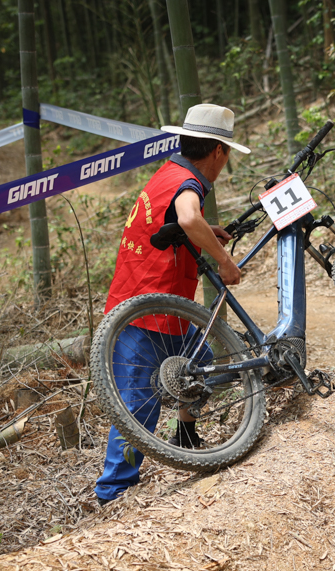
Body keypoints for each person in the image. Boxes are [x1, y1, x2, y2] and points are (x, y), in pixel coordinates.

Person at [94, 104, 251, 506]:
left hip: (158, 304)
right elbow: (185, 217)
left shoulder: (169, 173)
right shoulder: (189, 183)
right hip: (149, 312)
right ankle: (113, 494)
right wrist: (223, 259)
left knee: (206, 366)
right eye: (227, 153)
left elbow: (170, 225)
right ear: (218, 151)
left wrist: (203, 232)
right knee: (137, 406)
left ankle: (185, 431)